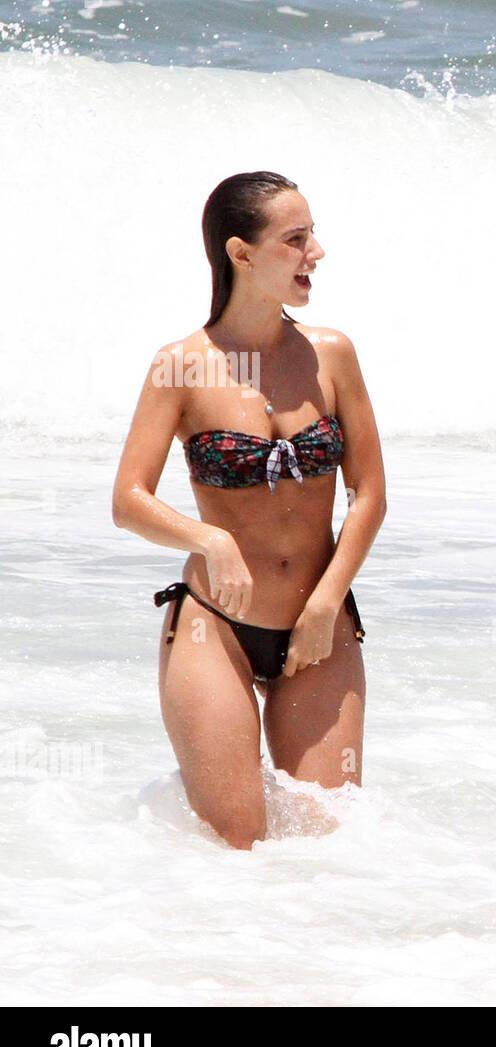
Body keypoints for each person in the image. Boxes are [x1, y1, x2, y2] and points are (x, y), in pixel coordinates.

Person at [112, 171, 387, 850]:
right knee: (235, 848)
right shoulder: (180, 366)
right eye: (296, 239)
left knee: (329, 847)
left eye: (312, 235)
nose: (315, 252)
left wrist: (325, 606)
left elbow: (370, 495)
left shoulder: (332, 355)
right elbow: (129, 501)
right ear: (241, 253)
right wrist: (210, 538)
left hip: (319, 628)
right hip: (217, 629)